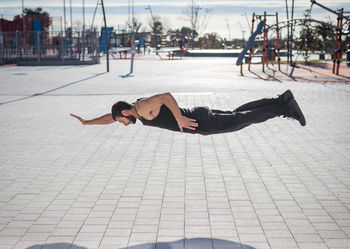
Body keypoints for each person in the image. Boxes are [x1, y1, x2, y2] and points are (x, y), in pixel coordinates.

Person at [70, 90, 306, 135]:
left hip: (199, 121)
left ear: (125, 111)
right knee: (237, 115)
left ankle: (283, 108)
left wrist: (179, 117)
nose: (121, 124)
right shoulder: (137, 112)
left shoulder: (142, 107)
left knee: (239, 121)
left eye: (121, 120)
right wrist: (86, 122)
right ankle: (280, 100)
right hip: (199, 118)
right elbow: (108, 118)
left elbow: (166, 96)